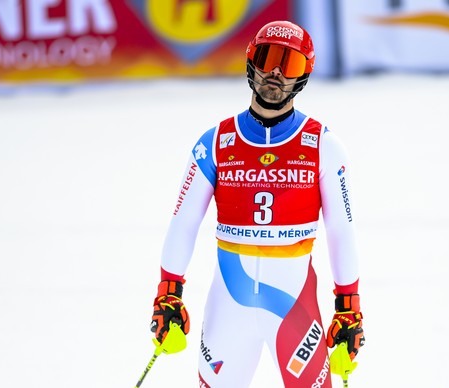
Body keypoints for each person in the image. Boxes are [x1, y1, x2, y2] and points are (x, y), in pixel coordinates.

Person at [149, 20, 365, 387]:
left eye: (290, 65)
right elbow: (183, 222)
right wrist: (169, 292)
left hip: (294, 310)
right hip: (227, 310)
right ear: (251, 62)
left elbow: (341, 232)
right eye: (267, 60)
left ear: (304, 76)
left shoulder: (324, 146)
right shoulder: (215, 141)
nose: (276, 74)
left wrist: (349, 308)